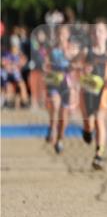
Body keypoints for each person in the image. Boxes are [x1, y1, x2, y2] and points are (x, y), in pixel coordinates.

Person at [76, 20, 107, 170]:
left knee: (100, 121)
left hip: (102, 91)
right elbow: (74, 65)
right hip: (87, 91)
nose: (97, 34)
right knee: (90, 123)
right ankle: (87, 131)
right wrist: (82, 70)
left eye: (100, 31)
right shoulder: (87, 51)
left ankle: (99, 155)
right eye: (95, 32)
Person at [44, 25, 76, 153]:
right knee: (55, 105)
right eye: (59, 33)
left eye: (63, 34)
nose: (61, 36)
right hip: (54, 81)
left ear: (68, 35)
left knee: (64, 113)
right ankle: (52, 127)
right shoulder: (52, 49)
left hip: (67, 83)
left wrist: (67, 54)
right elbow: (47, 64)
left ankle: (60, 138)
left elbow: (75, 65)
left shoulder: (72, 48)